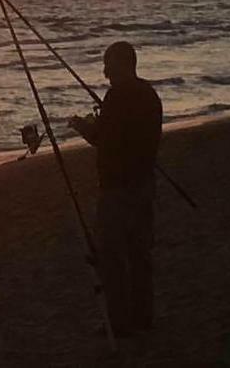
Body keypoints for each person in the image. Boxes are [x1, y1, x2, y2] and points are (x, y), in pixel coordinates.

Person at [69, 40, 162, 337]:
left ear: (122, 65)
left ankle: (119, 323)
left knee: (112, 258)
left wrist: (81, 126)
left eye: (109, 64)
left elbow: (104, 139)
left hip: (117, 189)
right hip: (144, 184)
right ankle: (143, 317)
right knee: (139, 255)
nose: (105, 71)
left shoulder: (117, 97)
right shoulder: (149, 94)